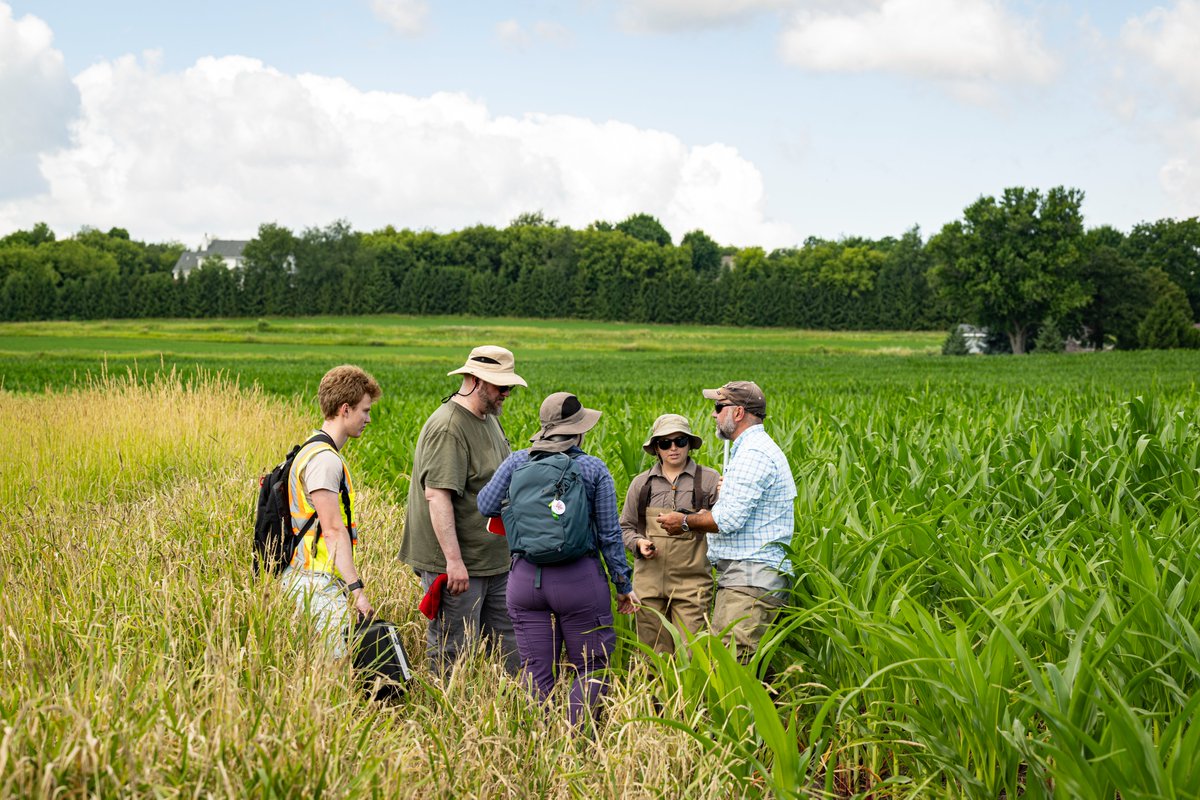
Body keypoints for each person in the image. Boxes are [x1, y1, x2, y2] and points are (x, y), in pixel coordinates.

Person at [478, 391, 638, 727]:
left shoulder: (518, 461)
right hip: (578, 580)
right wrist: (623, 585)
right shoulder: (593, 468)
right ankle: (578, 745)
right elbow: (610, 535)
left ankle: (540, 749)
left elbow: (486, 505)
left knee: (536, 667)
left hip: (525, 581)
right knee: (590, 665)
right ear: (578, 430)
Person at [399, 345, 526, 675]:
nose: (506, 394)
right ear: (475, 380)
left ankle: (511, 714)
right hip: (458, 566)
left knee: (509, 646)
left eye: (509, 386)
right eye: (501, 386)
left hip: (494, 560)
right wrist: (453, 562)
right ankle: (447, 717)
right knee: (454, 650)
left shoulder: (488, 420)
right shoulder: (449, 427)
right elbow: (437, 497)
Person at [657, 381, 795, 661]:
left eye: (719, 408)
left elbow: (727, 519)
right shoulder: (751, 450)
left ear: (739, 412)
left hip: (750, 582)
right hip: (750, 579)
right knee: (746, 670)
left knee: (728, 672)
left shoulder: (753, 454)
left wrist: (683, 521)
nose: (714, 414)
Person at [282, 364, 381, 658]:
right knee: (331, 672)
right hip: (315, 583)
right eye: (365, 410)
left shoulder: (309, 450)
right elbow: (334, 530)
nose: (368, 418)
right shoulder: (325, 461)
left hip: (304, 577)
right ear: (345, 409)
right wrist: (358, 593)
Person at [620, 413, 720, 654]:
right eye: (665, 443)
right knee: (652, 655)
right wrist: (638, 543)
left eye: (680, 441)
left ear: (689, 444)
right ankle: (654, 694)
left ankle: (691, 694)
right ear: (656, 448)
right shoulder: (641, 484)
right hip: (648, 584)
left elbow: (724, 523)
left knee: (694, 654)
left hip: (693, 584)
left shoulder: (709, 480)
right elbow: (624, 527)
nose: (673, 448)